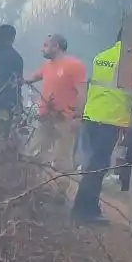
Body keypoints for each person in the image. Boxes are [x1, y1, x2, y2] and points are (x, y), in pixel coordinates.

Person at [72, 31, 132, 224]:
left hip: (92, 115)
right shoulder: (129, 61)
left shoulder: (102, 56)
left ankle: (89, 207)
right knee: (96, 167)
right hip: (110, 119)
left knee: (93, 165)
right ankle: (82, 212)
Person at [25, 34, 87, 169]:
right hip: (45, 117)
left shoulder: (74, 65)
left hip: (65, 119)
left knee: (62, 158)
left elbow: (82, 93)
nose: (42, 49)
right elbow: (30, 78)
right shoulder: (47, 65)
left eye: (46, 45)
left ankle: (65, 187)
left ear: (56, 46)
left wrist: (77, 117)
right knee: (34, 152)